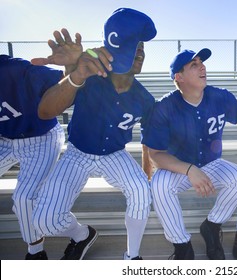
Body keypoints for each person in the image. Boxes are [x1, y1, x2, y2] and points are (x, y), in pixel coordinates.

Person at [32, 8, 157, 260]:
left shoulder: (145, 99)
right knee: (43, 221)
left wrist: (145, 176)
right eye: (135, 47)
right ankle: (81, 234)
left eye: (142, 49)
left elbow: (149, 142)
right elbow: (45, 111)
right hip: (77, 153)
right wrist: (74, 72)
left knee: (142, 191)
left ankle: (132, 258)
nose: (140, 53)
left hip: (115, 155)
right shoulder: (90, 71)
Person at [142, 48, 237, 260]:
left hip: (211, 163)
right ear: (179, 77)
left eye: (202, 62)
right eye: (194, 64)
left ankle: (211, 226)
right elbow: (155, 153)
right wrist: (189, 170)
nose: (202, 66)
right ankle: (182, 245)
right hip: (178, 167)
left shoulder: (220, 96)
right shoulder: (164, 106)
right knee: (159, 185)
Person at [0, 55, 65, 260]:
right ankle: (80, 234)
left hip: (42, 137)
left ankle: (36, 254)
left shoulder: (15, 69)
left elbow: (66, 80)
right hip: (5, 138)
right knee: (24, 201)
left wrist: (73, 65)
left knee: (24, 198)